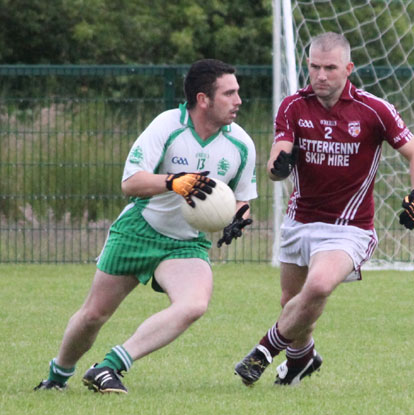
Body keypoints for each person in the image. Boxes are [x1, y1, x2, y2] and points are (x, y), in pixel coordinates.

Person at [34, 59, 256, 394]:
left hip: (186, 243)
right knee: (94, 315)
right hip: (140, 229)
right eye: (229, 93)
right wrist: (174, 182)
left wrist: (238, 217)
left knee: (194, 304)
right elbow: (131, 182)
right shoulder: (167, 126)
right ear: (203, 99)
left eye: (237, 92)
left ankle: (110, 366)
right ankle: (57, 377)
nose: (239, 100)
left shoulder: (241, 144)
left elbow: (241, 198)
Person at [234, 32, 414, 387]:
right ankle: (301, 359)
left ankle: (262, 353)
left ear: (348, 69)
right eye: (314, 67)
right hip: (299, 219)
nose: (320, 75)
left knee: (319, 285)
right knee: (292, 303)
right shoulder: (293, 105)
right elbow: (278, 155)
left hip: (349, 227)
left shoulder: (374, 110)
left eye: (330, 68)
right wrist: (278, 167)